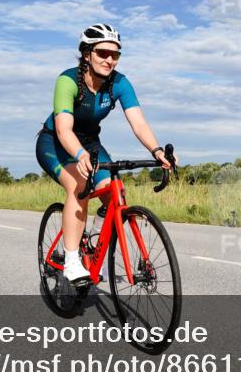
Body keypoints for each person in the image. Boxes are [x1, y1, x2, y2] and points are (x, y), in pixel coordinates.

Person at [35, 23, 177, 288]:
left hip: (90, 142)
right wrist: (78, 154)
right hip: (54, 141)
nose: (109, 59)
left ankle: (95, 244)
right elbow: (65, 129)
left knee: (114, 191)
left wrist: (156, 151)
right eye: (102, 53)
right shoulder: (68, 80)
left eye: (115, 54)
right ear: (87, 54)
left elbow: (139, 123)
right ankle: (72, 259)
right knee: (79, 186)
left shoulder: (120, 83)